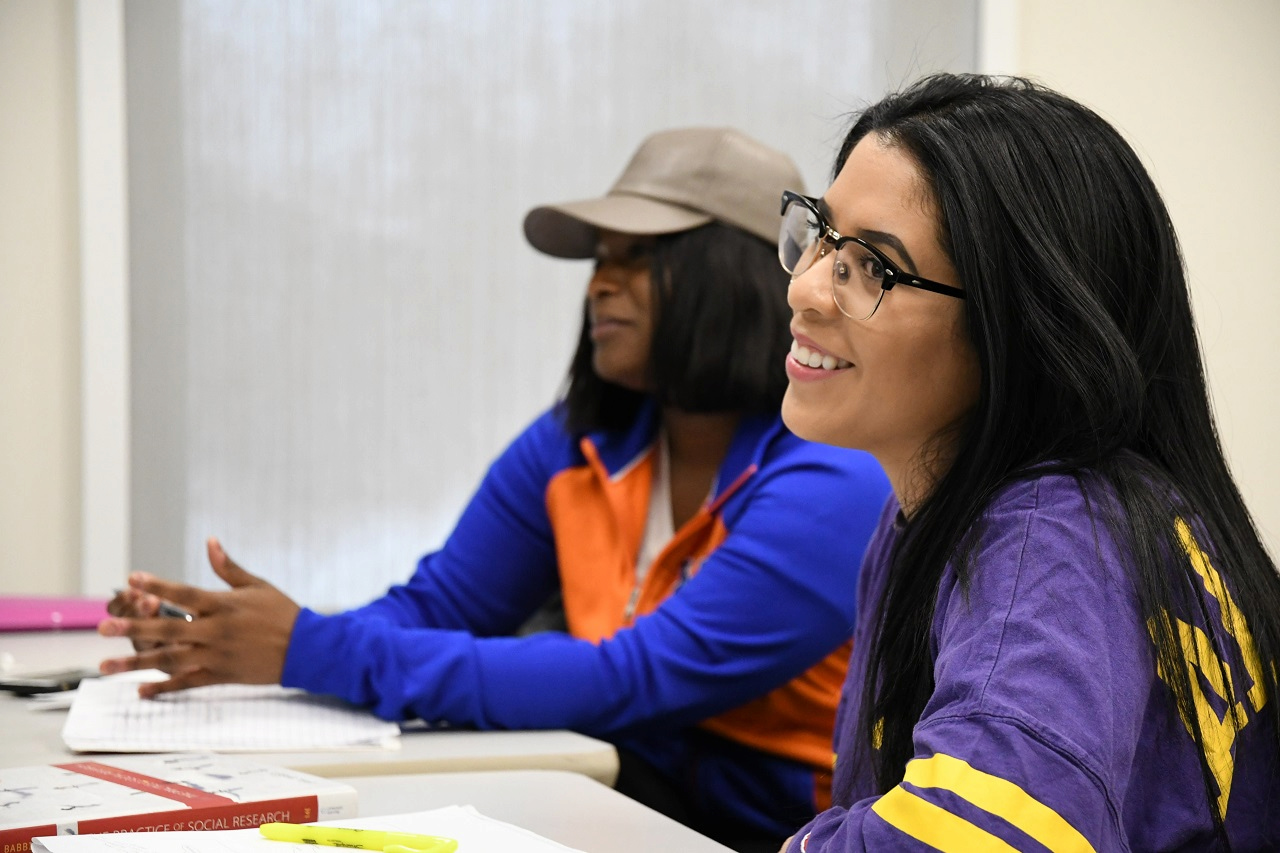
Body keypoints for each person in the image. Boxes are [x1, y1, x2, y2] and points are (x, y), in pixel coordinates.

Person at [99, 126, 892, 852]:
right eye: (597, 261)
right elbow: (435, 606)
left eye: (632, 259)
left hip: (765, 834)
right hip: (617, 794)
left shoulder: (834, 475)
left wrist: (311, 646)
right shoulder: (572, 440)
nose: (598, 287)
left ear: (731, 278)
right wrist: (232, 638)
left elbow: (634, 678)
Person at [775, 72, 1280, 852]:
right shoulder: (938, 506)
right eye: (821, 235)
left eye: (873, 265)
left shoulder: (1053, 527)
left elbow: (975, 841)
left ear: (1026, 327)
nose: (806, 288)